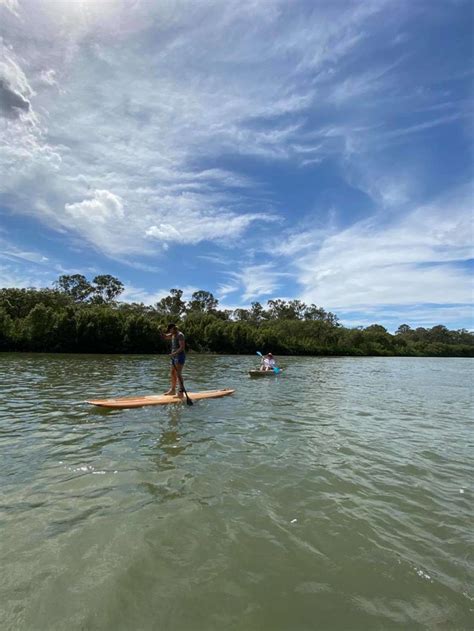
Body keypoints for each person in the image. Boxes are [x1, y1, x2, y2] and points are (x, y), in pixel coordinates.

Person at [162, 323, 186, 397]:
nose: (170, 331)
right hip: (174, 357)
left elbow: (182, 347)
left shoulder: (180, 335)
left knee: (178, 374)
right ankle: (172, 390)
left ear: (174, 328)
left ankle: (181, 392)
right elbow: (165, 337)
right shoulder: (172, 334)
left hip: (180, 356)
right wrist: (160, 332)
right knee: (172, 372)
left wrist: (174, 353)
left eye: (170, 329)